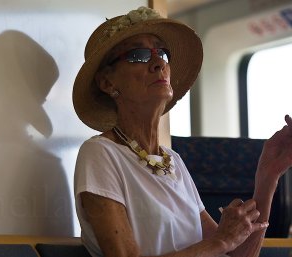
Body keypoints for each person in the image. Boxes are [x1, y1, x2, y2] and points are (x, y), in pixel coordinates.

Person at [72, 6, 292, 257]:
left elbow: (238, 253)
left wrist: (268, 175)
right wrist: (218, 243)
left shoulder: (172, 161)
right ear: (107, 82)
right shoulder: (100, 154)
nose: (157, 63)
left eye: (162, 54)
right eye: (139, 55)